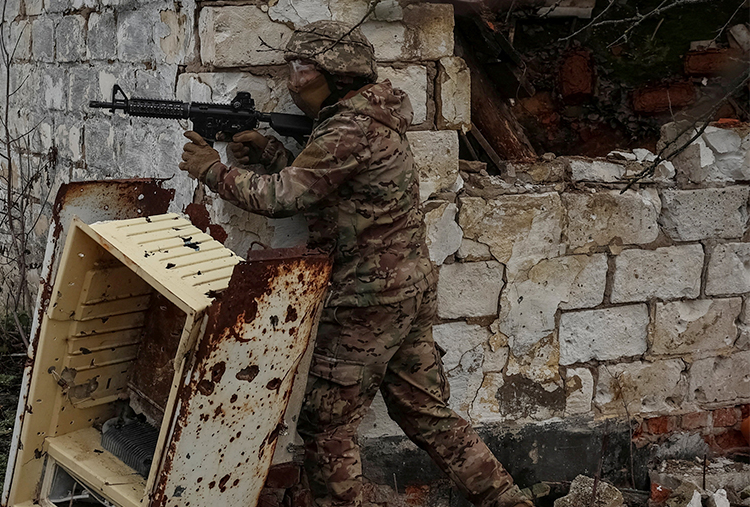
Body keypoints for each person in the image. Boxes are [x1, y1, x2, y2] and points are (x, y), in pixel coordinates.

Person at [178, 19, 533, 507]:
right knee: (426, 412)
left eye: (302, 68)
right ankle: (507, 499)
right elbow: (333, 188)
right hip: (406, 289)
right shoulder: (369, 117)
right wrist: (270, 150)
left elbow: (283, 197)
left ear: (337, 73)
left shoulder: (347, 128)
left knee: (327, 426)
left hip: (366, 299)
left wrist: (212, 170)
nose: (292, 80)